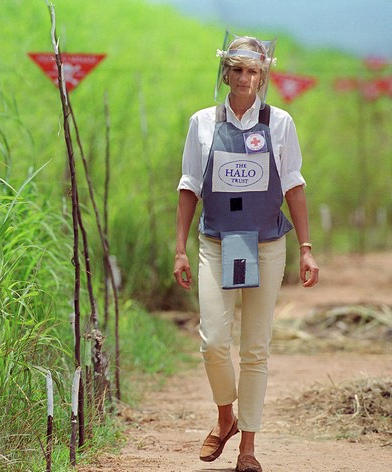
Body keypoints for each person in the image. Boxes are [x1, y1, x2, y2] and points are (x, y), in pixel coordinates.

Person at [173, 33, 319, 472]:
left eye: (252, 70)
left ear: (263, 75)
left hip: (267, 243)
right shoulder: (201, 122)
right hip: (216, 242)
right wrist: (180, 249)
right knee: (213, 341)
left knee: (255, 348)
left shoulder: (280, 123)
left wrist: (306, 249)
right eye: (236, 69)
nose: (243, 78)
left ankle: (248, 449)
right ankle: (225, 416)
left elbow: (294, 185)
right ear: (225, 73)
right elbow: (189, 187)